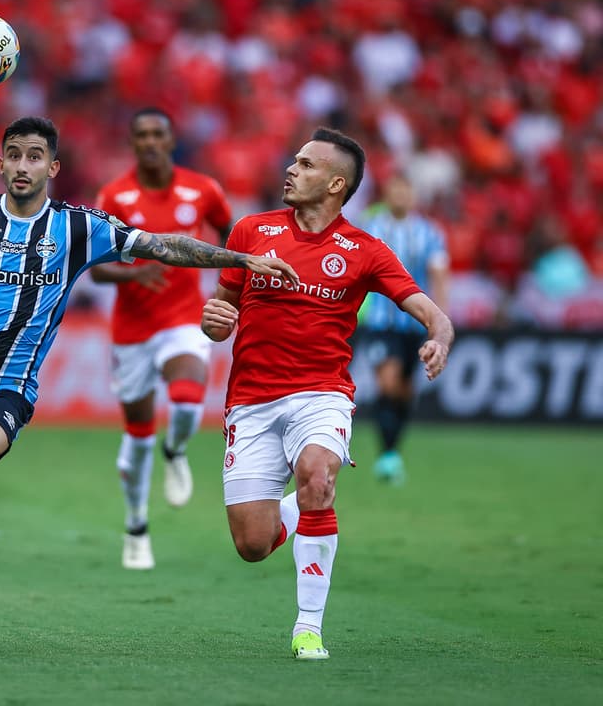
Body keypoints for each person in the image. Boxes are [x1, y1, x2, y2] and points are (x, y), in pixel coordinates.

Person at [0, 116, 297, 648]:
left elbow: (162, 246)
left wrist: (239, 258)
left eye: (35, 156)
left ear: (52, 167)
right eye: (14, 154)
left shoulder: (79, 228)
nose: (22, 165)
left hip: (7, 386)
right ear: (0, 162)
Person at [201, 127, 453, 661]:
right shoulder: (250, 231)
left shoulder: (365, 250)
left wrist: (440, 335)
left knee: (318, 473)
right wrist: (215, 320)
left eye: (306, 164)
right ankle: (299, 509)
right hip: (250, 401)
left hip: (322, 394)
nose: (291, 170)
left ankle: (308, 628)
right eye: (294, 161)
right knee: (252, 545)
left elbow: (428, 308)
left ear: (336, 184)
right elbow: (221, 310)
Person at [91, 107, 232, 570]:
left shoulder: (204, 189)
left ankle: (178, 450)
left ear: (171, 140)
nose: (150, 141)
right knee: (137, 433)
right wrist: (131, 275)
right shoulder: (114, 196)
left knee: (190, 400)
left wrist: (232, 287)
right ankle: (136, 526)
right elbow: (94, 263)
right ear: (133, 144)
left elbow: (232, 237)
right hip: (132, 331)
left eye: (158, 134)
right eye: (142, 135)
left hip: (184, 318)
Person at [354, 173, 449, 484]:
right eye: (395, 190)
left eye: (405, 191)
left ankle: (391, 452)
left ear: (413, 196)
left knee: (406, 390)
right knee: (388, 384)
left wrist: (440, 321)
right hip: (381, 321)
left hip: (415, 323)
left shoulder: (429, 232)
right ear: (387, 193)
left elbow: (438, 276)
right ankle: (388, 455)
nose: (400, 196)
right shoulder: (370, 227)